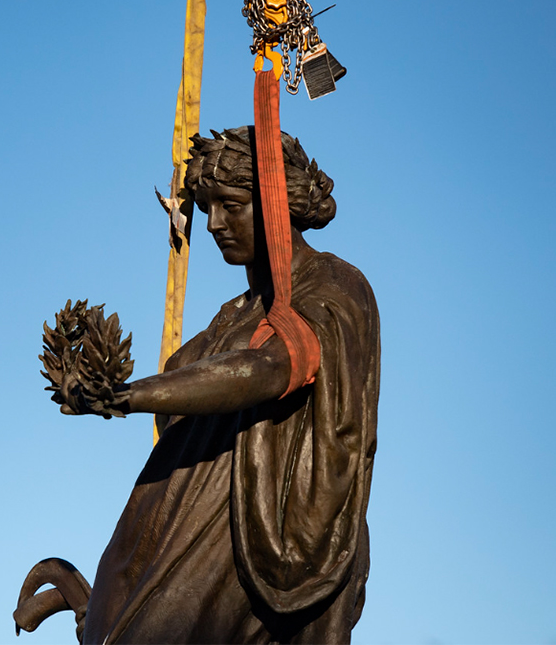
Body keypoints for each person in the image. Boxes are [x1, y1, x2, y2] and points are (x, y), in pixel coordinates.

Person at [41, 127, 379, 644]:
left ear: (274, 202)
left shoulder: (334, 287)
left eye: (231, 205)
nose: (216, 223)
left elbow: (270, 369)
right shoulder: (229, 319)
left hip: (250, 549)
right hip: (163, 546)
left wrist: (127, 394)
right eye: (205, 207)